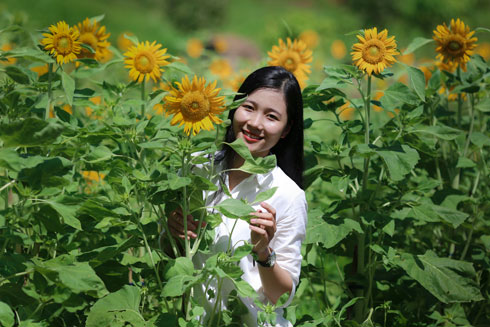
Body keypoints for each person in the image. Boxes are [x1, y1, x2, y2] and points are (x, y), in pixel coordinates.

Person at [167, 66, 307, 326]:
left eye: (272, 116)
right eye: (249, 107)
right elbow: (172, 258)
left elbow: (282, 296)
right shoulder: (196, 169)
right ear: (235, 108)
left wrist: (263, 251)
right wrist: (171, 231)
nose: (255, 123)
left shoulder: (288, 195)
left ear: (286, 130)